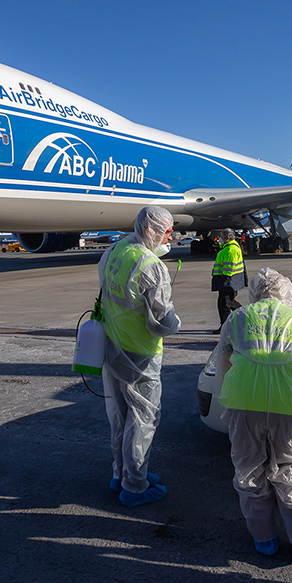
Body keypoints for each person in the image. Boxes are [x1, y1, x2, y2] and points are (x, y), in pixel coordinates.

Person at [212, 267, 292, 560]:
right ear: (286, 292)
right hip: (290, 405)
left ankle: (264, 538)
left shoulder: (237, 318)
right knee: (290, 468)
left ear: (254, 292)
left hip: (244, 403)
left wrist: (227, 401)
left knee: (249, 470)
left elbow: (222, 360)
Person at [98, 206, 182, 507]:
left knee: (119, 417)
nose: (170, 236)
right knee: (143, 419)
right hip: (140, 354)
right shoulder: (151, 266)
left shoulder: (116, 250)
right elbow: (161, 322)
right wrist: (175, 319)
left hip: (111, 347)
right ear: (151, 231)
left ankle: (120, 473)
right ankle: (135, 484)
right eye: (167, 231)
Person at [211, 230, 246, 332]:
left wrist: (223, 279)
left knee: (225, 305)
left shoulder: (231, 250)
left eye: (221, 237)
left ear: (227, 238)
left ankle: (226, 326)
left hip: (229, 281)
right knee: (228, 303)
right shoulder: (228, 248)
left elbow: (229, 268)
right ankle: (243, 317)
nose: (219, 239)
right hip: (229, 281)